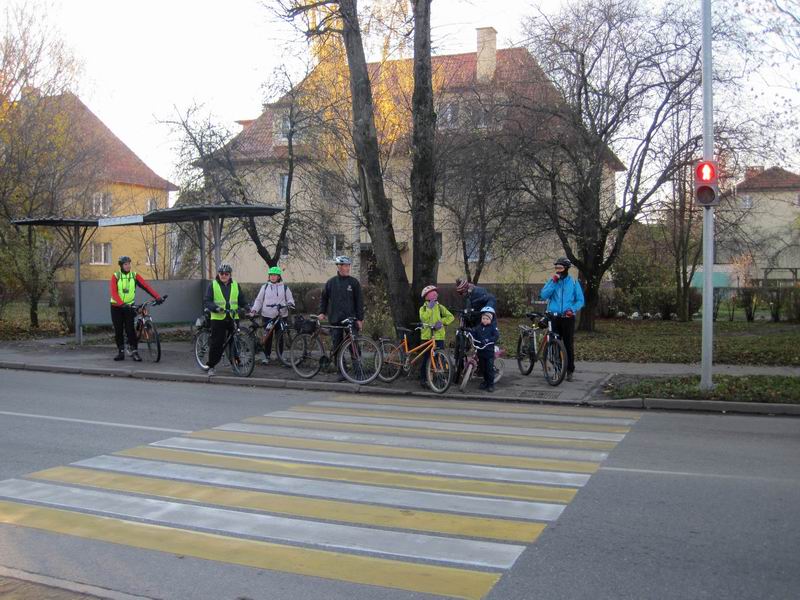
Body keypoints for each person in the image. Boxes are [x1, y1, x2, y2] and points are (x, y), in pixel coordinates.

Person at [317, 256, 364, 381]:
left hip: (351, 320)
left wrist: (360, 319)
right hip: (336, 319)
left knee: (353, 346)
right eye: (345, 266)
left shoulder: (354, 282)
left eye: (348, 265)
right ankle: (341, 372)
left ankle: (358, 371)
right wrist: (322, 312)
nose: (347, 268)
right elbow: (324, 298)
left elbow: (359, 301)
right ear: (339, 267)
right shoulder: (331, 282)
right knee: (337, 345)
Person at [109, 256, 163, 362]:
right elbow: (114, 292)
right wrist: (121, 303)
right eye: (125, 264)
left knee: (130, 330)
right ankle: (121, 352)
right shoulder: (116, 276)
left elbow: (146, 287)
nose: (128, 266)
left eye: (129, 263)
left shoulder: (134, 276)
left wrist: (157, 297)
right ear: (121, 266)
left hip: (129, 306)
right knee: (118, 330)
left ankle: (134, 352)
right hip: (116, 307)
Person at [540, 256, 585, 381]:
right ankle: (557, 369)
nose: (558, 270)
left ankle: (570, 370)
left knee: (568, 344)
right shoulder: (552, 281)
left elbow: (580, 300)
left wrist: (573, 309)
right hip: (554, 317)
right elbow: (543, 295)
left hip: (568, 318)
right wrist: (553, 282)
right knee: (554, 344)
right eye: (556, 268)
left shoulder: (574, 282)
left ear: (566, 269)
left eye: (560, 268)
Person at [202, 264, 249, 376]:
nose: (224, 275)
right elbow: (207, 301)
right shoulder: (212, 285)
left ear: (229, 275)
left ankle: (236, 364)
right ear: (218, 274)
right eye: (221, 273)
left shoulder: (235, 285)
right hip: (218, 318)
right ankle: (211, 366)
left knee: (234, 342)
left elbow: (241, 299)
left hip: (233, 317)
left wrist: (247, 307)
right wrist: (216, 308)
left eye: (226, 274)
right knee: (217, 343)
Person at [250, 265, 295, 365]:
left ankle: (281, 356)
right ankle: (267, 356)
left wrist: (290, 304)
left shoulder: (285, 287)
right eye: (271, 275)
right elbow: (259, 300)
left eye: (275, 275)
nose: (273, 277)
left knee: (280, 336)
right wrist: (254, 310)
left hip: (281, 316)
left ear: (279, 276)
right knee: (268, 337)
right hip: (267, 315)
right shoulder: (265, 287)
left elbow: (290, 299)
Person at [418, 285, 454, 388]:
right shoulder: (423, 308)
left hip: (438, 337)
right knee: (426, 359)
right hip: (427, 337)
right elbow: (423, 319)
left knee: (440, 359)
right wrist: (429, 308)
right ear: (427, 296)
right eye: (432, 293)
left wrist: (441, 322)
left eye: (435, 293)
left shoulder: (440, 307)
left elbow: (450, 317)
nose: (435, 295)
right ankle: (424, 379)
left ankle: (440, 379)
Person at [471, 306, 500, 392]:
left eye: (487, 319)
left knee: (489, 369)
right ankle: (485, 381)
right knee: (483, 368)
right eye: (483, 318)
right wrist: (467, 331)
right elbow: (474, 332)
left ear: (490, 320)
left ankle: (491, 384)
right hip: (480, 351)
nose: (485, 320)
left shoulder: (492, 328)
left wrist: (488, 340)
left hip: (489, 352)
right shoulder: (479, 327)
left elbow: (496, 336)